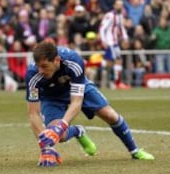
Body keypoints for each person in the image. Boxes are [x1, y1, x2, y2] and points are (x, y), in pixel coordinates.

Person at [25, 41, 154, 167]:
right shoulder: (32, 74)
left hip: (77, 88)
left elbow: (76, 102)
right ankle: (77, 131)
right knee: (60, 136)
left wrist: (61, 126)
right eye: (38, 66)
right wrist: (46, 149)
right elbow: (33, 114)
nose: (40, 70)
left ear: (57, 60)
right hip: (52, 97)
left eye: (44, 66)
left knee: (110, 115)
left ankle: (135, 151)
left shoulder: (73, 61)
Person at [99, 0, 130, 89]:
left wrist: (125, 38)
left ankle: (117, 82)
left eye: (121, 5)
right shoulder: (110, 15)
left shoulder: (120, 16)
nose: (120, 7)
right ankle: (117, 82)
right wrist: (103, 40)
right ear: (114, 6)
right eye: (118, 5)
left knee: (116, 61)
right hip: (110, 42)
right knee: (114, 61)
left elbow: (121, 28)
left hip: (115, 43)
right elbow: (102, 28)